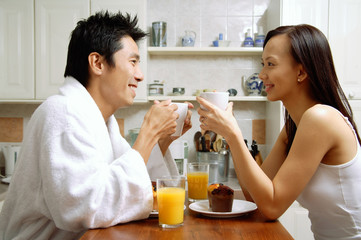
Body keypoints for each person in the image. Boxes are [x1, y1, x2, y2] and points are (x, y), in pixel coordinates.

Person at [0, 11, 193, 239]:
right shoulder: (62, 112)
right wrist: (148, 133)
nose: (140, 75)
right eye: (133, 62)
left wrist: (161, 141)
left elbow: (136, 185)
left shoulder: (102, 122)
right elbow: (83, 208)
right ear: (98, 63)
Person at [197, 24, 361, 240]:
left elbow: (272, 207)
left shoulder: (320, 119)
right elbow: (255, 198)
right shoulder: (295, 126)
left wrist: (234, 135)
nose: (262, 74)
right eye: (263, 64)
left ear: (301, 72)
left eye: (271, 64)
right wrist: (230, 134)